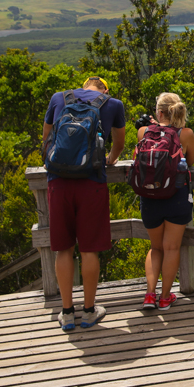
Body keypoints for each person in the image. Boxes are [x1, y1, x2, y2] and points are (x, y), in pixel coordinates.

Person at [41, 76, 125, 331]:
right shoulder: (113, 104)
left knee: (63, 248)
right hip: (91, 183)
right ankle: (89, 312)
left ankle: (67, 313)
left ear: (82, 86)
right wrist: (110, 159)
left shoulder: (59, 98)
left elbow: (46, 139)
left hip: (58, 182)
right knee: (89, 249)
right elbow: (118, 143)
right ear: (105, 90)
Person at [138, 92, 194, 311]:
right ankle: (165, 298)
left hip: (150, 196)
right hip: (177, 197)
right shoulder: (186, 134)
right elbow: (191, 160)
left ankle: (149, 295)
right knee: (171, 248)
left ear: (159, 112)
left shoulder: (143, 131)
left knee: (155, 248)